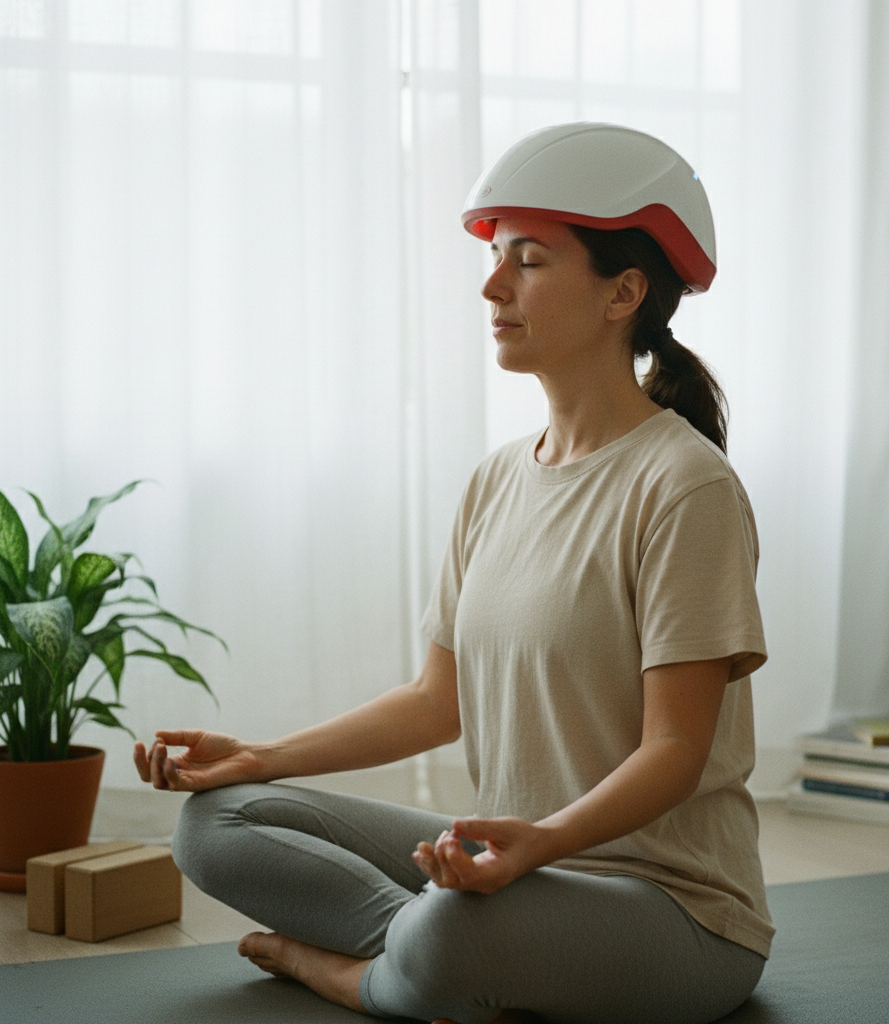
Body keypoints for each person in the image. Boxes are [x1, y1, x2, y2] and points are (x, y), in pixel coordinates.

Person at [134, 122, 773, 1024]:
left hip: (673, 912)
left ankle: (362, 973)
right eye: (496, 258)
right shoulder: (497, 480)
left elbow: (676, 750)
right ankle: (442, 961)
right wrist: (258, 755)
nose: (492, 285)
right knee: (218, 823)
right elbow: (441, 701)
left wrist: (541, 844)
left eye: (530, 261)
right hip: (508, 875)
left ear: (623, 291)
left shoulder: (686, 486)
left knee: (453, 934)